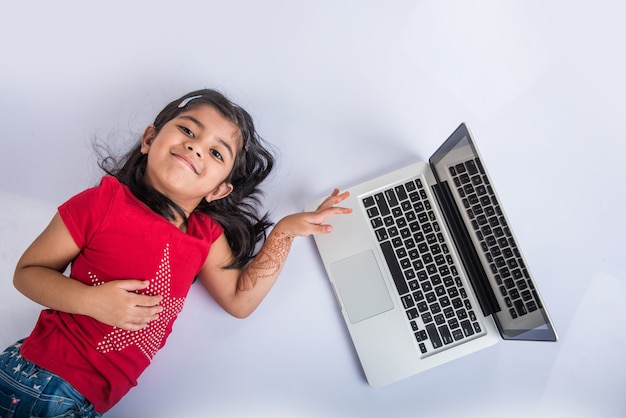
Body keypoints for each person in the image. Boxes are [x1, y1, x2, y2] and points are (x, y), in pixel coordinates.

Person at [0, 89, 350, 417]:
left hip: (87, 403)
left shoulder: (205, 236)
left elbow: (239, 301)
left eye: (216, 153)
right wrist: (92, 301)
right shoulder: (104, 202)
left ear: (219, 189)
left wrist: (285, 232)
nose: (196, 148)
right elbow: (27, 272)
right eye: (188, 130)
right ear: (149, 139)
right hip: (38, 378)